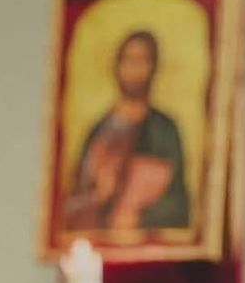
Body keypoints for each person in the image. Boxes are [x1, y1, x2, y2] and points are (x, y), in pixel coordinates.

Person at [66, 29, 190, 234]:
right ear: (117, 66)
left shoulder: (165, 130)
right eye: (128, 60)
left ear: (153, 67)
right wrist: (97, 196)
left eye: (142, 60)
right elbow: (75, 195)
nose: (134, 69)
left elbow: (178, 206)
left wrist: (141, 217)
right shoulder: (100, 130)